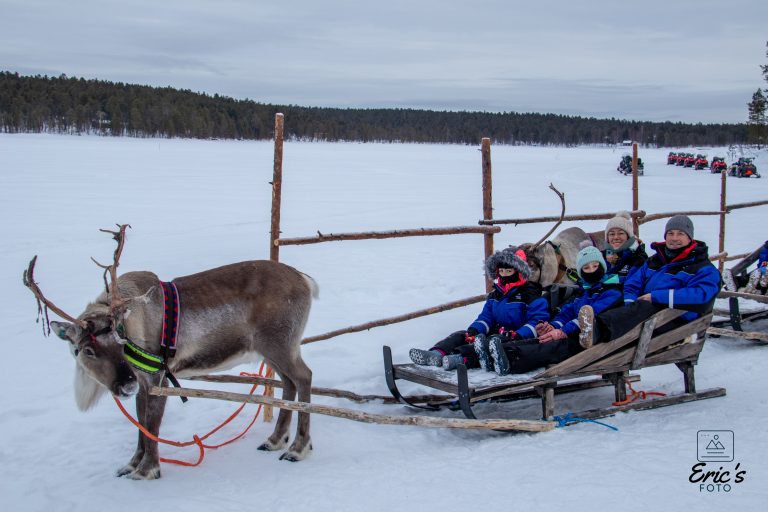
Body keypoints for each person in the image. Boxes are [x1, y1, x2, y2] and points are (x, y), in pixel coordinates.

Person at [478, 246, 623, 376]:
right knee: (541, 339)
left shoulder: (612, 292)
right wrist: (553, 326)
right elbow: (568, 312)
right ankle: (500, 353)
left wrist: (563, 331)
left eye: (595, 266)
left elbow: (589, 315)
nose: (592, 271)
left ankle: (512, 361)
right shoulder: (585, 292)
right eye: (586, 268)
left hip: (592, 337)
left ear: (603, 266)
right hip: (574, 332)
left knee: (552, 347)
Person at [581, 215, 721, 347]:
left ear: (690, 237)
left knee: (644, 306)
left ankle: (595, 330)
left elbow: (701, 295)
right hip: (646, 313)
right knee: (618, 298)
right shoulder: (656, 260)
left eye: (680, 234)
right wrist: (629, 302)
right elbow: (633, 283)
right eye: (670, 233)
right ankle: (579, 330)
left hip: (675, 320)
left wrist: (655, 297)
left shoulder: (703, 268)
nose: (674, 238)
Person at [408, 247, 548, 370]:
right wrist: (474, 330)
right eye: (501, 271)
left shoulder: (530, 294)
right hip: (495, 332)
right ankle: (437, 354)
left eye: (508, 271)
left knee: (489, 344)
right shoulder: (496, 294)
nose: (504, 275)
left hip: (516, 338)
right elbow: (486, 317)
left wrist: (518, 334)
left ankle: (459, 359)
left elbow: (538, 321)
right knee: (461, 335)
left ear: (518, 272)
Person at [603, 211, 648, 283]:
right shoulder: (601, 257)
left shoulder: (638, 258)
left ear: (629, 236)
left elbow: (632, 284)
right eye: (612, 234)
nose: (616, 237)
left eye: (621, 233)